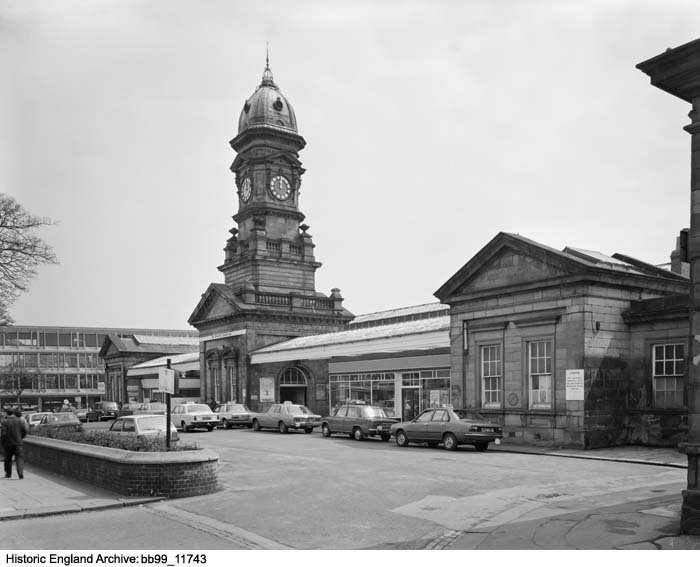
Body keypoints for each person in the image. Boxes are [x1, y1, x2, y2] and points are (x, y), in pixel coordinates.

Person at [1, 407, 28, 479]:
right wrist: (21, 437)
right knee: (19, 458)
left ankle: (8, 474)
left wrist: (3, 442)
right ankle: (20, 472)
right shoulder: (19, 420)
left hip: (8, 443)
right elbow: (24, 431)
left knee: (8, 458)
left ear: (6, 413)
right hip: (18, 443)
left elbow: (3, 434)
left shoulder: (4, 421)